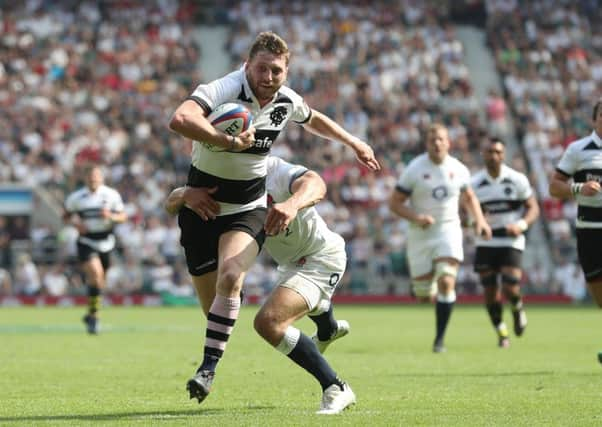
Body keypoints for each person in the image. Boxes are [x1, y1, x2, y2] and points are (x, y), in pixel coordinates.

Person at [167, 31, 379, 404]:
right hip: (204, 206)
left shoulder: (286, 101)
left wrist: (354, 143)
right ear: (247, 66)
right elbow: (180, 118)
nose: (268, 77)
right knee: (213, 308)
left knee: (231, 278)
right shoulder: (223, 88)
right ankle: (248, 308)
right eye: (261, 69)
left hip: (247, 207)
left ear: (286, 72)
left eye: (276, 71)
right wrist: (226, 142)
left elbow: (314, 119)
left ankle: (206, 371)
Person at [166, 156, 355, 414]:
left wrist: (291, 204)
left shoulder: (272, 169)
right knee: (221, 311)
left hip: (321, 258)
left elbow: (315, 183)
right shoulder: (222, 176)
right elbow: (173, 201)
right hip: (289, 264)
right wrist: (185, 193)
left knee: (269, 323)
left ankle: (335, 386)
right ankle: (327, 326)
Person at [389, 123, 492, 353]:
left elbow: (469, 198)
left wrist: (480, 221)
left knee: (447, 280)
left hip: (448, 229)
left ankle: (439, 340)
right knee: (424, 295)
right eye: (432, 140)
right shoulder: (414, 169)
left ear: (448, 143)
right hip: (421, 235)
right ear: (426, 144)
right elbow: (394, 203)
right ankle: (428, 288)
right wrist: (416, 217)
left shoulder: (459, 169)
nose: (437, 143)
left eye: (441, 139)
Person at [471, 138, 539, 348]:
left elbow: (533, 208)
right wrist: (476, 221)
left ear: (504, 154)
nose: (494, 156)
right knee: (490, 292)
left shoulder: (517, 179)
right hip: (486, 242)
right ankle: (502, 332)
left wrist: (521, 224)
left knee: (510, 287)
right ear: (483, 154)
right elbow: (464, 214)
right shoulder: (474, 184)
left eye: (498, 152)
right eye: (490, 152)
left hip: (511, 239)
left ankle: (517, 309)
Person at [549, 98, 602, 363]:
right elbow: (554, 186)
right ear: (595, 119)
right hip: (589, 230)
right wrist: (579, 189)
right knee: (597, 291)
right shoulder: (579, 149)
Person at [64, 165, 127, 334]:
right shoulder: (77, 197)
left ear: (101, 178)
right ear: (85, 179)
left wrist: (111, 216)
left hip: (106, 241)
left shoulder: (111, 195)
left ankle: (91, 314)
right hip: (86, 241)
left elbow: (123, 216)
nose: (93, 180)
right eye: (90, 177)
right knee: (95, 273)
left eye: (96, 177)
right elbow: (66, 215)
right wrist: (76, 224)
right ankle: (95, 317)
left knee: (100, 282)